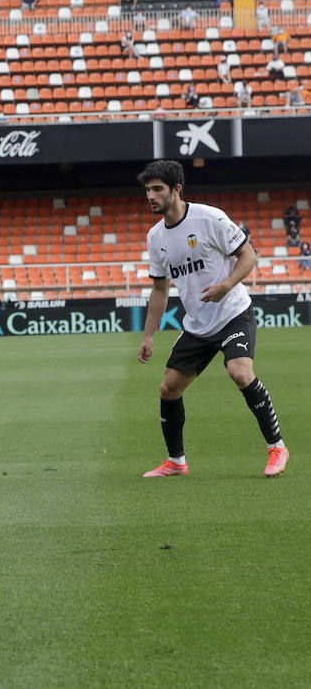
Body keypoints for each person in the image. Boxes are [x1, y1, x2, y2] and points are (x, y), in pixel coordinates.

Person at [136, 160, 288, 478]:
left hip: (233, 313)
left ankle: (277, 447)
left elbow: (249, 255)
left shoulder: (210, 218)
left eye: (157, 189)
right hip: (198, 325)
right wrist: (148, 336)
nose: (150, 196)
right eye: (147, 190)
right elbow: (160, 289)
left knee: (240, 372)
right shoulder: (155, 237)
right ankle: (176, 462)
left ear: (177, 189)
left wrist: (225, 286)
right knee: (169, 389)